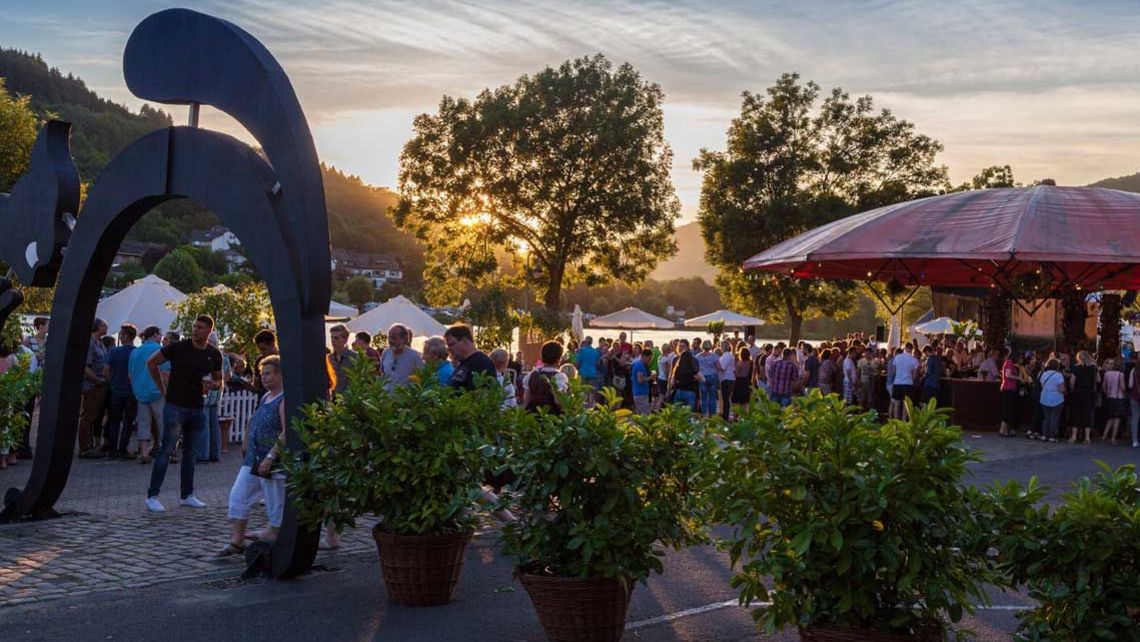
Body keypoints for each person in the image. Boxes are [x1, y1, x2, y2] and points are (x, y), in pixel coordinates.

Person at [145, 315, 224, 512]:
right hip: (175, 406)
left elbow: (219, 380)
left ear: (209, 331)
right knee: (167, 449)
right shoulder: (178, 347)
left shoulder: (214, 354)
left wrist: (213, 385)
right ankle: (152, 495)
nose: (196, 330)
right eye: (194, 326)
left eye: (200, 327)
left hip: (197, 407)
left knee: (191, 452)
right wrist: (162, 388)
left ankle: (187, 495)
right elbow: (151, 363)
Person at [217, 355, 287, 557]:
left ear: (280, 375)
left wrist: (271, 457)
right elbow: (253, 421)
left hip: (271, 459)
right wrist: (247, 441)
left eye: (268, 373)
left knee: (275, 501)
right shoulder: (266, 397)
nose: (263, 378)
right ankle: (237, 540)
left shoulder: (284, 399)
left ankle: (275, 535)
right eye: (262, 373)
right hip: (253, 458)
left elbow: (286, 431)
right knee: (239, 495)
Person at [129, 326, 165, 463]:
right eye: (160, 334)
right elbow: (166, 372)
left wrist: (136, 388)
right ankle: (167, 451)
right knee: (162, 423)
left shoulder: (135, 352)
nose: (161, 337)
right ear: (155, 334)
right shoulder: (159, 350)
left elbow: (130, 374)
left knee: (143, 423)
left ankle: (144, 453)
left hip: (140, 392)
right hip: (157, 390)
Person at [103, 324, 138, 460]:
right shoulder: (136, 352)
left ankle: (112, 449)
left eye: (121, 334)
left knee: (114, 421)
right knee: (128, 421)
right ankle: (123, 448)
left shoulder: (114, 351)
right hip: (132, 392)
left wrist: (111, 381)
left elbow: (105, 371)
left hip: (116, 390)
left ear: (125, 336)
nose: (119, 337)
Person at [77, 318, 110, 459]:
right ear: (97, 327)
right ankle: (84, 448)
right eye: (104, 325)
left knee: (93, 417)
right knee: (87, 417)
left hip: (99, 385)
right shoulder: (90, 343)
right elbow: (85, 367)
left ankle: (90, 446)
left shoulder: (100, 342)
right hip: (92, 385)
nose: (107, 327)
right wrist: (98, 380)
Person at [201, 332, 232, 463]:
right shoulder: (224, 356)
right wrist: (220, 384)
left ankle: (203, 455)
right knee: (214, 425)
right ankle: (215, 454)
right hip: (217, 393)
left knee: (203, 425)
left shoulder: (205, 355)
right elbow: (228, 375)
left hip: (205, 392)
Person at [444, 325, 496, 390]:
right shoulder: (463, 363)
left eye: (451, 344)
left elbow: (482, 394)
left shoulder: (481, 363)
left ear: (464, 341)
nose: (449, 349)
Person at [523, 341, 568, 414]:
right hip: (551, 417)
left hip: (532, 416)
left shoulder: (531, 374)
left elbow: (526, 400)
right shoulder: (560, 377)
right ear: (559, 359)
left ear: (542, 356)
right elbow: (558, 401)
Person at [380, 323, 423, 389]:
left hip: (404, 397)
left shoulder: (415, 356)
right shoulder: (386, 353)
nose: (390, 341)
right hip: (386, 396)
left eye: (394, 338)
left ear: (404, 339)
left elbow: (420, 378)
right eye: (389, 337)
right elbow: (382, 374)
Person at [1068, 351, 1097, 445]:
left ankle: (1074, 436)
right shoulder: (1093, 368)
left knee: (1076, 414)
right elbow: (1098, 379)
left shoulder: (1076, 368)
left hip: (1078, 392)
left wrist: (1072, 390)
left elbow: (1072, 381)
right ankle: (1087, 437)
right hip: (1089, 392)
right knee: (1087, 414)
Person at [1038, 358, 1066, 443]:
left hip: (1045, 397)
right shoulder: (1059, 375)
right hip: (1056, 398)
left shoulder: (1044, 374)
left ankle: (1044, 435)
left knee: (1046, 418)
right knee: (1054, 418)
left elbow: (1042, 385)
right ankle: (1052, 436)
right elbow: (1061, 389)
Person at [326, 324, 358, 396]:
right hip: (334, 399)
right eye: (332, 337)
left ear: (345, 340)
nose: (333, 340)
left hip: (351, 398)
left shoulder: (355, 357)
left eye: (336, 338)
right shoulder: (329, 358)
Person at [890, 344, 919, 420]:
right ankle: (904, 422)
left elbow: (894, 371)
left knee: (897, 403)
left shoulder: (897, 357)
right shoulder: (915, 360)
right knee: (906, 404)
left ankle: (896, 423)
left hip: (897, 383)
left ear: (905, 348)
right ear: (912, 349)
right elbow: (915, 376)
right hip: (908, 383)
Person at [1101, 358, 1126, 445]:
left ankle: (1104, 436)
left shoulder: (1107, 374)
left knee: (1110, 418)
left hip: (1110, 398)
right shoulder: (1121, 374)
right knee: (1117, 419)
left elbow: (1104, 386)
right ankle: (1113, 438)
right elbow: (1122, 387)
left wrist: (1107, 393)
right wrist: (1124, 394)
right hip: (1118, 398)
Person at [670, 339, 700, 411]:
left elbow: (697, 374)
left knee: (689, 414)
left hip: (690, 390)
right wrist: (669, 389)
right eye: (679, 346)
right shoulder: (675, 359)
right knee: (677, 414)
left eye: (683, 346)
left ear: (688, 347)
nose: (681, 348)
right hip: (678, 389)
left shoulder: (693, 359)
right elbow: (672, 375)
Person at [999, 349, 1022, 438]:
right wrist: (1018, 378)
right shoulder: (1009, 362)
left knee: (1009, 410)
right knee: (1007, 410)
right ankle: (1002, 430)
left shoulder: (1011, 364)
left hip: (1011, 388)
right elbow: (1008, 375)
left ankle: (1005, 430)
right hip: (1008, 388)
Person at [251, 329, 278, 395]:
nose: (261, 352)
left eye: (263, 349)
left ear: (272, 344)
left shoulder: (283, 359)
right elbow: (256, 385)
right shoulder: (259, 361)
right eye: (259, 349)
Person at [696, 341, 719, 418]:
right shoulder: (714, 356)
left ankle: (704, 413)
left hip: (702, 377)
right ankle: (712, 414)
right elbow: (718, 367)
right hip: (712, 376)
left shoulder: (698, 356)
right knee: (712, 396)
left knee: (703, 397)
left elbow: (696, 368)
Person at [715, 339, 736, 420]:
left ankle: (725, 415)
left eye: (721, 345)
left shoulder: (727, 355)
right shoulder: (729, 355)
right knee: (725, 398)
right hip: (728, 378)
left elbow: (721, 367)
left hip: (727, 379)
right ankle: (725, 414)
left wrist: (715, 363)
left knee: (726, 398)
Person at [631, 348, 653, 415]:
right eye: (649, 358)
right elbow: (640, 380)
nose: (650, 360)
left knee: (639, 413)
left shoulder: (639, 365)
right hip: (641, 393)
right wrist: (650, 378)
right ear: (644, 356)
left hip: (638, 392)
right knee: (646, 414)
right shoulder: (639, 366)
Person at [732, 345, 753, 411]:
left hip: (739, 382)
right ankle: (744, 414)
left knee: (736, 400)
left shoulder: (739, 363)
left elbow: (736, 373)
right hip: (746, 381)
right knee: (745, 400)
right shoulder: (750, 363)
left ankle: (736, 415)